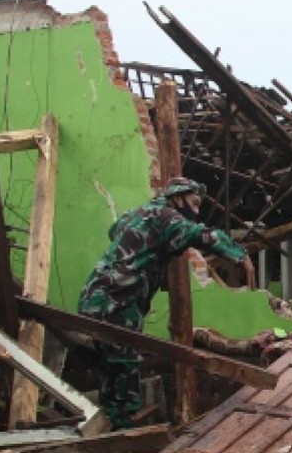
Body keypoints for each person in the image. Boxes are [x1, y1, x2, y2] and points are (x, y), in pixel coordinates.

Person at [78, 177, 255, 429]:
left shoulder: (137, 214)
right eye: (193, 203)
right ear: (177, 197)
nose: (195, 211)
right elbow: (199, 234)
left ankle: (110, 423)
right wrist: (239, 254)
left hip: (95, 295)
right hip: (116, 301)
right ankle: (122, 432)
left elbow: (115, 230)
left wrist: (153, 260)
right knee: (124, 365)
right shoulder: (166, 216)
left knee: (113, 365)